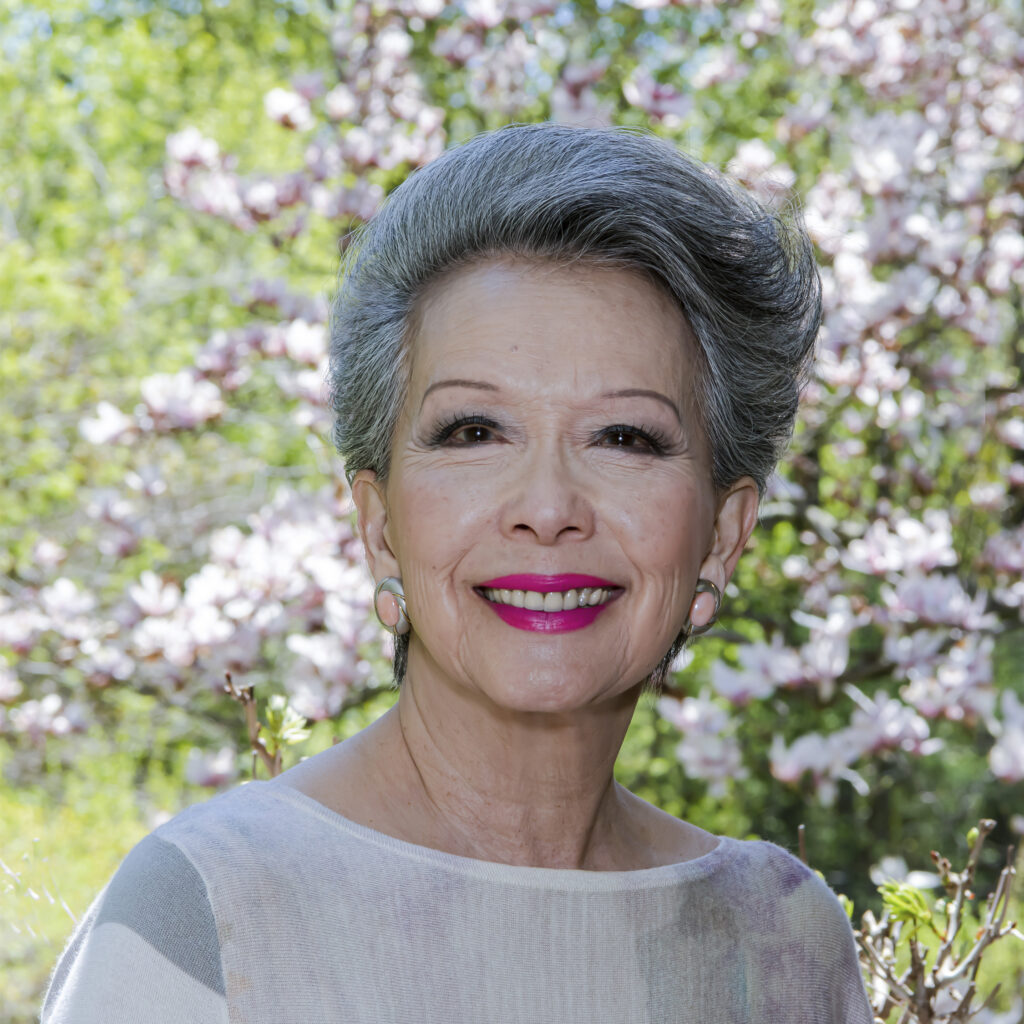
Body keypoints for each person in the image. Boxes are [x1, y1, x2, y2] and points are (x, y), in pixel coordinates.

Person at [42, 123, 873, 1022]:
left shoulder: (781, 939)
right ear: (379, 523)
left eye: (625, 437)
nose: (548, 505)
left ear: (721, 533)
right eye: (474, 432)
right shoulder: (209, 911)